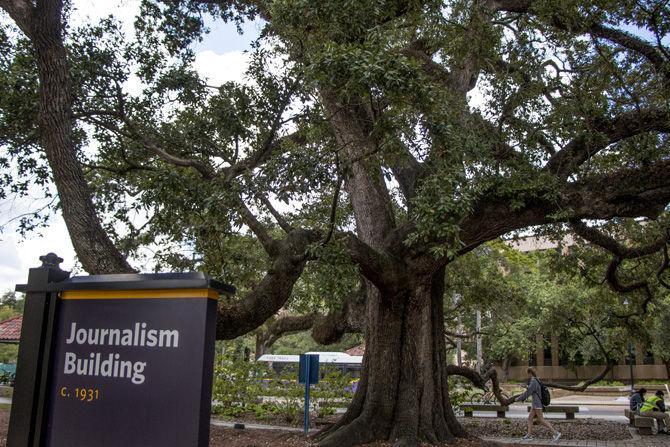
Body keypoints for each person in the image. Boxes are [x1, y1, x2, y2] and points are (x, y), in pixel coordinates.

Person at [514, 367, 561, 441]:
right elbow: (533, 389)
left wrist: (518, 398)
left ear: (530, 373)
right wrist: (526, 386)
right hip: (535, 404)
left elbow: (528, 392)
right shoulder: (536, 379)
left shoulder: (533, 381)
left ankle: (556, 433)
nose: (527, 376)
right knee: (530, 418)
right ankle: (529, 435)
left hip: (537, 404)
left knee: (541, 420)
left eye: (527, 374)